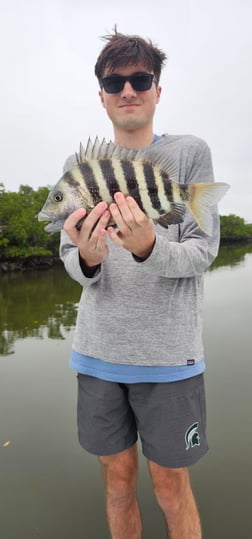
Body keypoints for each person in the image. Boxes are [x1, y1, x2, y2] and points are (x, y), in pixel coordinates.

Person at [60, 28, 220, 539]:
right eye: (115, 81)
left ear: (157, 89)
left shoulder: (189, 153)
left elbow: (202, 251)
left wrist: (149, 246)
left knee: (172, 486)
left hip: (170, 358)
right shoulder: (79, 168)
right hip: (98, 354)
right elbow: (68, 258)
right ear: (102, 94)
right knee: (116, 482)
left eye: (139, 79)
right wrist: (85, 258)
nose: (127, 90)